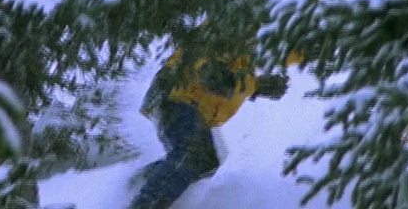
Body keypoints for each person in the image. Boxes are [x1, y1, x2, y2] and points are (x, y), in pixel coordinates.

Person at [128, 35, 304, 209]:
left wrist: (316, 47)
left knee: (206, 161)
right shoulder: (227, 27)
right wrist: (254, 85)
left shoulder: (249, 43)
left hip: (192, 104)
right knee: (191, 153)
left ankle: (133, 186)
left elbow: (281, 50)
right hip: (177, 95)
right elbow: (214, 77)